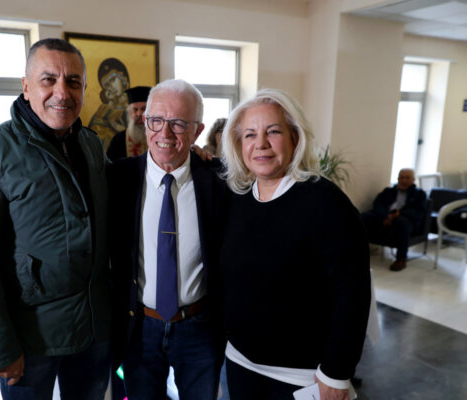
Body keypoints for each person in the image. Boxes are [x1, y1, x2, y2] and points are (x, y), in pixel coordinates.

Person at [0, 38, 111, 400]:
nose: (62, 92)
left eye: (73, 82)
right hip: (29, 341)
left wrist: (189, 159)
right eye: (48, 80)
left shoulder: (91, 144)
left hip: (93, 331)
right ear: (26, 86)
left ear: (85, 89)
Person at [219, 88, 371, 400]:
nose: (261, 143)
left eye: (273, 131)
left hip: (302, 375)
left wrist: (337, 372)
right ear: (238, 144)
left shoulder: (326, 203)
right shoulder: (237, 199)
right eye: (250, 135)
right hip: (240, 362)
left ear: (295, 137)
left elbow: (352, 292)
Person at [107, 79, 227, 400]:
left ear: (197, 131)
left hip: (199, 327)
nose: (165, 133)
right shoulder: (117, 178)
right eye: (156, 120)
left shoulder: (219, 180)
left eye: (178, 123)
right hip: (138, 327)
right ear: (145, 121)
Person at [361, 168, 427, 271]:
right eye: (401, 178)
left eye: (407, 178)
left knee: (402, 223)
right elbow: (377, 204)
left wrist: (399, 214)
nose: (404, 181)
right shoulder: (388, 191)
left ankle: (401, 259)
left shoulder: (419, 194)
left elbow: (418, 212)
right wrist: (386, 216)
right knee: (363, 216)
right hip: (386, 216)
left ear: (413, 180)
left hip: (405, 219)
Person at [89, 57, 130, 149]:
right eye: (107, 85)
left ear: (123, 79)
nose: (111, 87)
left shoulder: (135, 107)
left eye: (113, 80)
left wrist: (116, 126)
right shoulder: (103, 110)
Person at [106, 86, 151, 161]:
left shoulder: (159, 137)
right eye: (135, 109)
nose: (139, 114)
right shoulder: (118, 140)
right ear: (130, 112)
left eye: (144, 109)